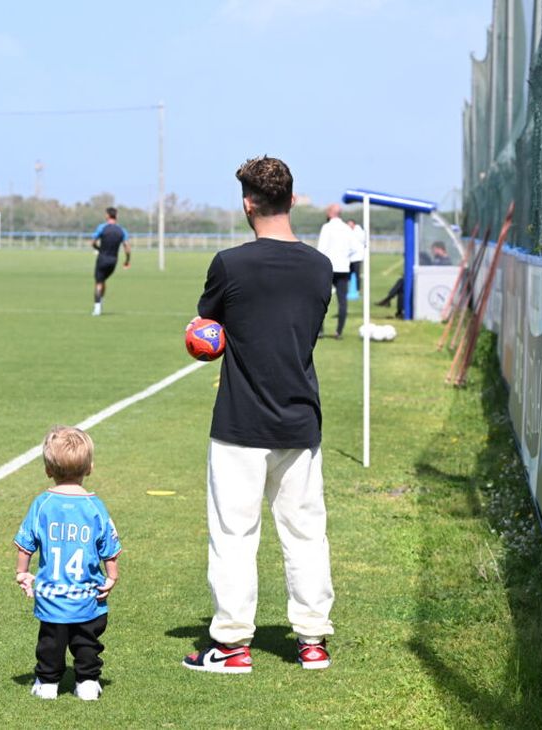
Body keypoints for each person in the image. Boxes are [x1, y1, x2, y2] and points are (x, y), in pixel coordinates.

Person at [182, 156, 335, 675]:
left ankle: (231, 647)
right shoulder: (319, 267)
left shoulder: (229, 264)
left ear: (247, 202)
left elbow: (207, 329)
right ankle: (313, 641)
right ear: (292, 199)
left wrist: (199, 332)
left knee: (233, 536)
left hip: (241, 425)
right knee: (306, 534)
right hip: (299, 422)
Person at [14, 426, 122, 701]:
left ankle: (48, 683)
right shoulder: (95, 506)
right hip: (87, 595)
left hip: (52, 595)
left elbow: (26, 542)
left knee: (51, 640)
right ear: (90, 468)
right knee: (87, 640)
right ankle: (87, 681)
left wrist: (22, 572)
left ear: (48, 470)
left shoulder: (42, 504)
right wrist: (111, 577)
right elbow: (108, 547)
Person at [316, 203, 356, 339]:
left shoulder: (327, 227)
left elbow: (321, 249)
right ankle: (339, 332)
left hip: (328, 268)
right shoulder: (347, 228)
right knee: (342, 301)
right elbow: (354, 248)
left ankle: (320, 330)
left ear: (330, 213)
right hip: (343, 268)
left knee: (321, 300)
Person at [90, 207, 131, 316]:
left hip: (102, 258)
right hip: (113, 261)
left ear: (107, 216)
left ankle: (97, 307)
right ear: (116, 216)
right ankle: (100, 301)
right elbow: (127, 247)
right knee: (103, 281)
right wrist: (127, 260)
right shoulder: (121, 230)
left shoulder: (102, 228)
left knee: (99, 282)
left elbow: (93, 242)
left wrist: (98, 249)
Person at [347, 218, 367, 293]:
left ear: (353, 224)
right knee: (348, 274)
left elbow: (363, 242)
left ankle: (358, 289)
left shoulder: (359, 232)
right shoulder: (347, 231)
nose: (348, 225)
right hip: (349, 257)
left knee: (357, 274)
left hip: (357, 257)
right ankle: (349, 289)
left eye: (350, 224)